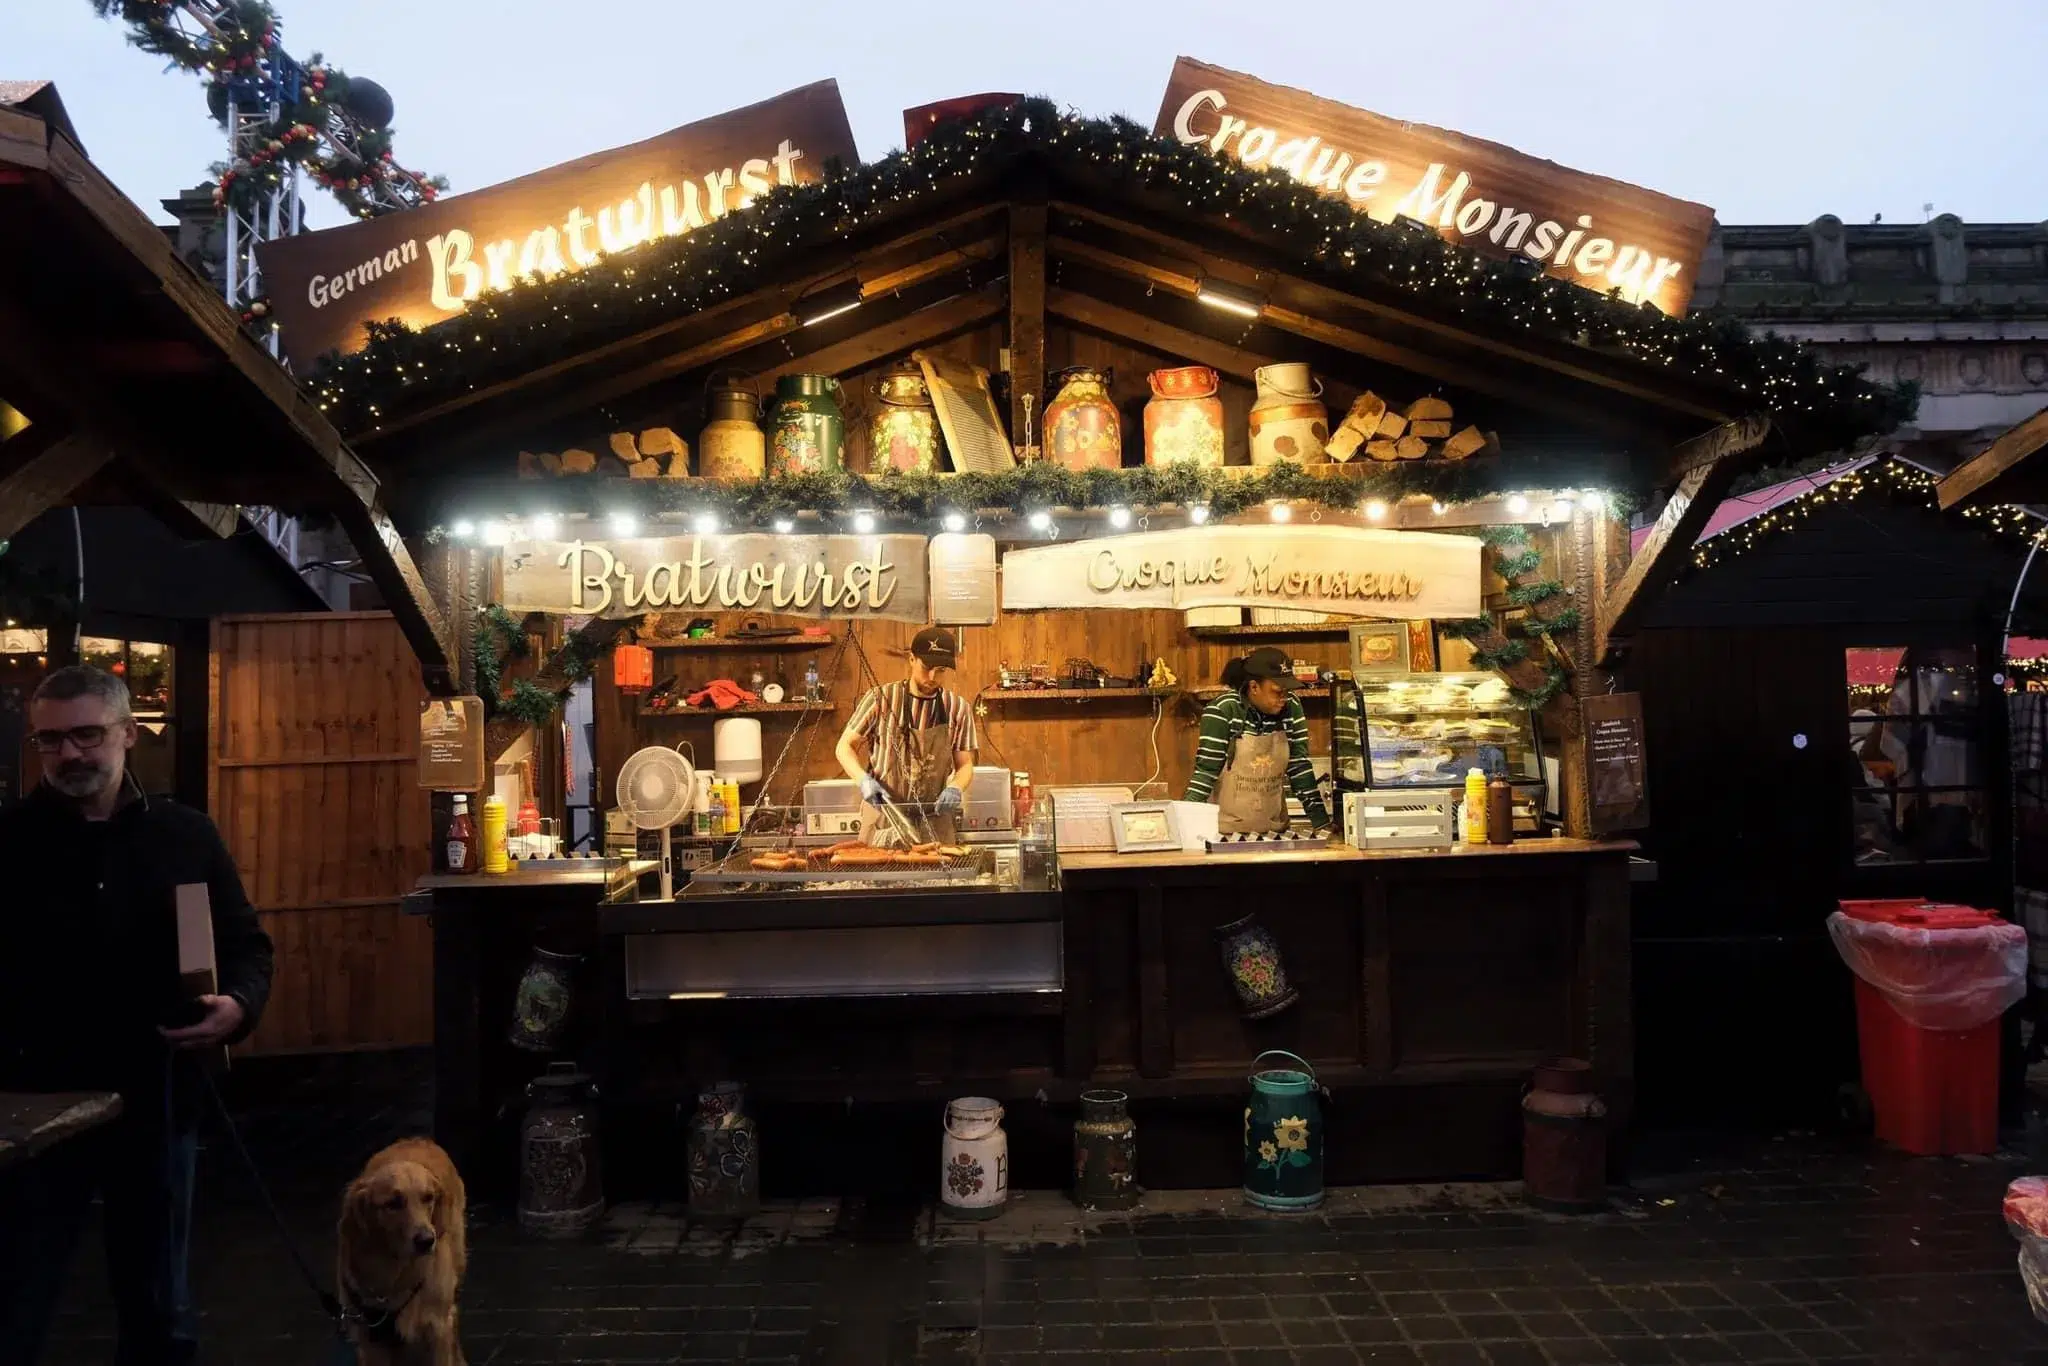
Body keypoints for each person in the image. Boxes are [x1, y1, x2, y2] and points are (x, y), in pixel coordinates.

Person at [0, 665, 273, 1366]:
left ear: (128, 734)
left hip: (156, 1097)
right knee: (15, 1304)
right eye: (50, 740)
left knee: (159, 1309)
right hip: (34, 1108)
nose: (69, 755)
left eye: (87, 734)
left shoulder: (185, 835)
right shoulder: (7, 844)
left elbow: (246, 945)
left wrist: (236, 1006)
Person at [835, 627, 978, 844]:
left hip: (934, 822)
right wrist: (862, 780)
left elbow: (965, 764)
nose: (932, 677)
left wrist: (956, 787)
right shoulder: (880, 699)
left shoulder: (958, 708)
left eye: (940, 670)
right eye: (926, 667)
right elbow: (844, 747)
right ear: (912, 659)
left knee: (936, 878)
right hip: (885, 815)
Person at [1184, 647, 1332, 835]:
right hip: (1224, 832)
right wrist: (1185, 825)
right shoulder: (1222, 711)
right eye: (1277, 691)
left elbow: (1299, 768)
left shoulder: (1291, 707)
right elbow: (1205, 772)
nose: (1284, 698)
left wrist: (1321, 823)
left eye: (1287, 691)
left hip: (1275, 831)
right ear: (1254, 687)